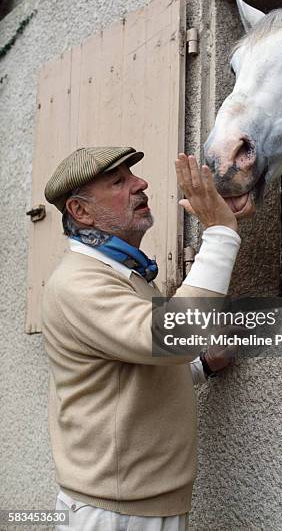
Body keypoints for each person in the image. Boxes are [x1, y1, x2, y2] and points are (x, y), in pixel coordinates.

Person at [41, 146, 243, 530]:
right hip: (114, 513)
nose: (141, 183)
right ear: (80, 212)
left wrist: (202, 367)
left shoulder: (123, 274)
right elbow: (174, 336)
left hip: (136, 503)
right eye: (118, 182)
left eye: (132, 174)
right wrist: (221, 234)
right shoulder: (78, 283)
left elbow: (128, 378)